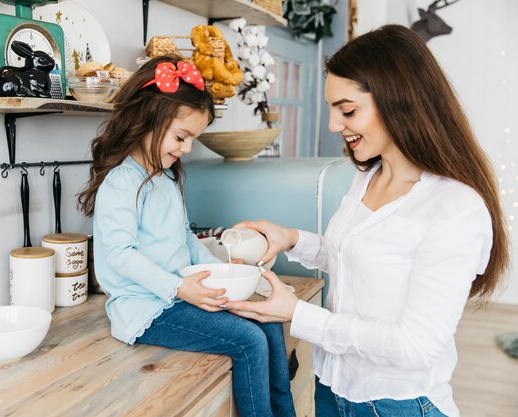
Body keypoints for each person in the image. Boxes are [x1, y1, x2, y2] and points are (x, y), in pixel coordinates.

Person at [225, 25, 509, 417]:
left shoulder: (454, 208)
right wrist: (290, 239)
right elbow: (356, 258)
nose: (333, 125)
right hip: (333, 392)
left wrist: (298, 314)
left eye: (348, 110)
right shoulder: (368, 176)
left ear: (400, 100)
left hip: (400, 405)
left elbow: (417, 345)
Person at [77, 55, 296, 417]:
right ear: (148, 118)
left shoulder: (165, 178)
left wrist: (223, 274)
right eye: (182, 136)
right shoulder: (121, 182)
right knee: (248, 341)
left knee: (268, 320)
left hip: (180, 295)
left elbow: (185, 239)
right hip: (146, 308)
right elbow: (120, 254)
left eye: (193, 138)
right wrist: (180, 289)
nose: (188, 148)